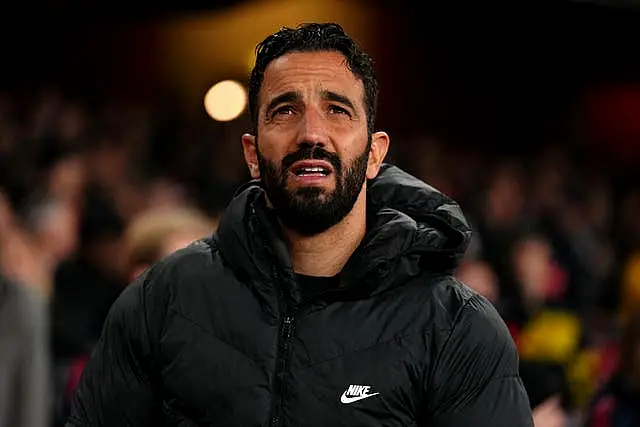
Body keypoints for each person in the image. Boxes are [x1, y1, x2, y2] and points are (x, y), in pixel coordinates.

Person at [66, 23, 533, 426]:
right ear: (252, 153)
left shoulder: (455, 328)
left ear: (374, 153)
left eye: (337, 109)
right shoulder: (161, 300)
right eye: (285, 110)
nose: (311, 132)